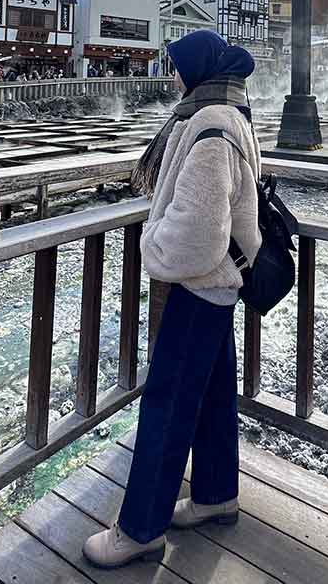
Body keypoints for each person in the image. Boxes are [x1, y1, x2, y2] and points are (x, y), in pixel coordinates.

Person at [82, 29, 260, 569]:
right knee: (208, 398)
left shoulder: (207, 126)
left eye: (177, 65)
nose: (172, 73)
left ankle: (139, 529)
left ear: (197, 70)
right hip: (223, 283)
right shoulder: (232, 113)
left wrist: (152, 245)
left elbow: (200, 230)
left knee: (165, 404)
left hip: (200, 285)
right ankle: (215, 495)